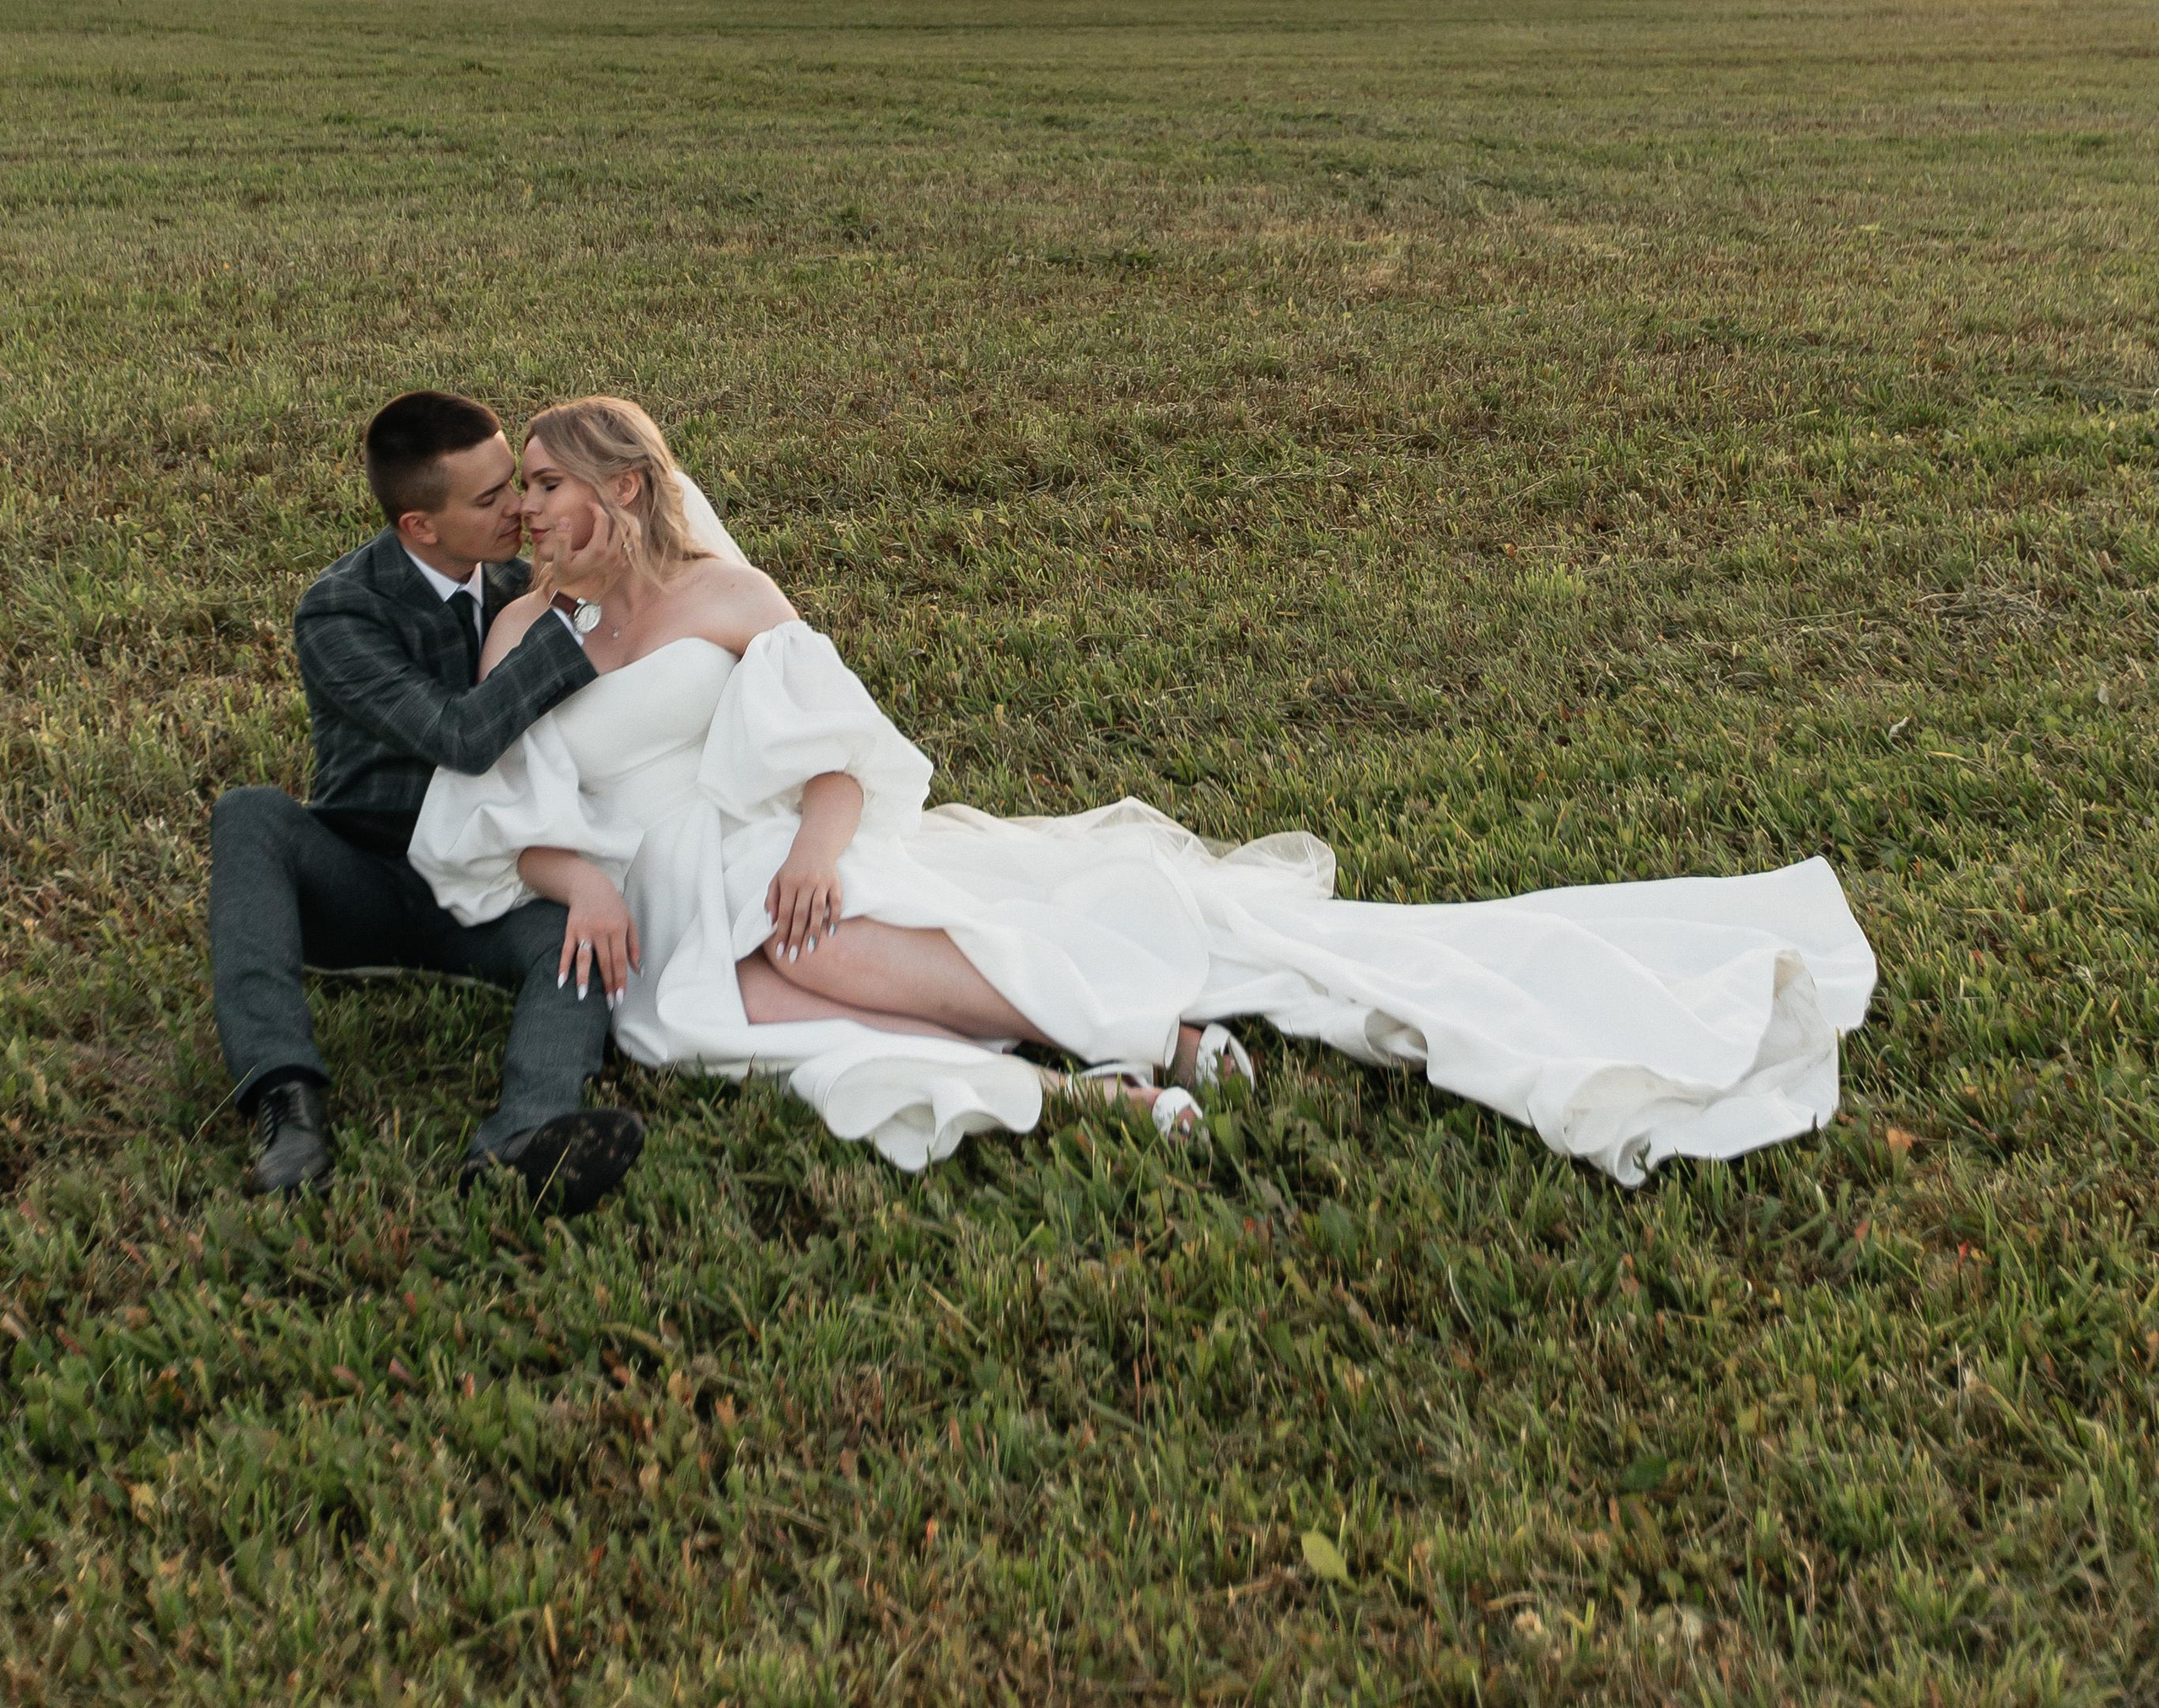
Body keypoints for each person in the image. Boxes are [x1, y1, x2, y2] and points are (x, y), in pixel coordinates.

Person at [412, 398, 1878, 1179]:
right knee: (762, 1032)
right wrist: (583, 880)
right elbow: (496, 808)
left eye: (542, 478)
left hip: (762, 848)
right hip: (654, 906)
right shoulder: (529, 632)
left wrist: (817, 842)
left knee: (837, 950)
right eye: (514, 486)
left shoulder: (727, 591)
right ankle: (1096, 1100)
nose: (521, 506)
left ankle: (1152, 1029)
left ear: (622, 482)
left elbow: (843, 739)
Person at [207, 392, 779, 1211]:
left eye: (516, 481)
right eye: (490, 499)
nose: (521, 506)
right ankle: (284, 1103)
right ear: (419, 527)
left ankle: (522, 1140)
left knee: (574, 931)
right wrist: (576, 606)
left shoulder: (521, 584)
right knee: (249, 813)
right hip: (372, 871)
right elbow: (461, 736)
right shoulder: (341, 610)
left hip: (495, 877)